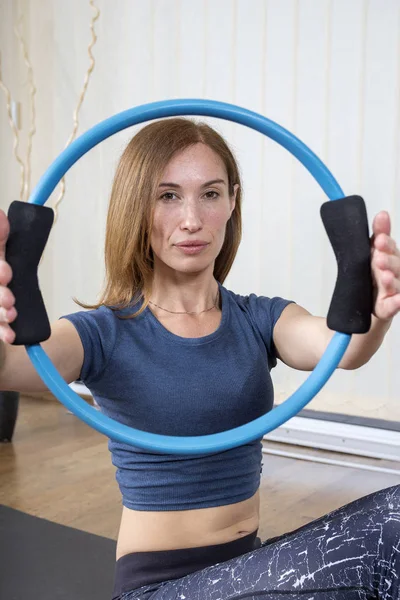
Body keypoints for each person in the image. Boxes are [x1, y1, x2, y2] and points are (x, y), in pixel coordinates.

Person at [0, 118, 399, 600]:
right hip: (162, 590)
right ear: (137, 207)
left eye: (209, 194)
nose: (192, 219)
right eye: (167, 196)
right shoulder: (104, 333)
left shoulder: (258, 318)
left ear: (232, 200)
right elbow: (12, 367)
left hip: (252, 573)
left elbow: (343, 345)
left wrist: (372, 307)